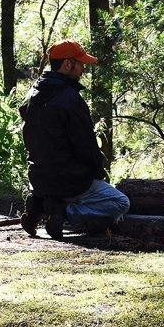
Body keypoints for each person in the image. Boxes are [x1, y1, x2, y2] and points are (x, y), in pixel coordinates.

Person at [19, 41, 129, 237]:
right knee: (121, 202)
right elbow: (85, 146)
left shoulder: (32, 95)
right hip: (69, 180)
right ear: (67, 64)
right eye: (80, 64)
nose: (83, 69)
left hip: (38, 176)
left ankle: (39, 204)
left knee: (68, 188)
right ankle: (64, 211)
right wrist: (98, 171)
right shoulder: (70, 99)